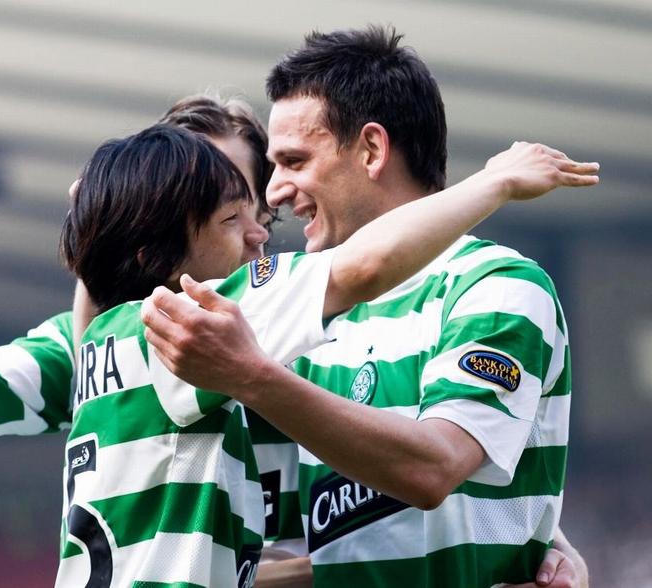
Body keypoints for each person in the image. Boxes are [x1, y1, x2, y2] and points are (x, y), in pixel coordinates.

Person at [0, 102, 589, 585]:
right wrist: (495, 182)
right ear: (158, 236)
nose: (260, 229)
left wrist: (534, 538)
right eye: (229, 213)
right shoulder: (197, 326)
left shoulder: (115, 340)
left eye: (254, 204)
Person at [141, 26, 593, 588]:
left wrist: (252, 377)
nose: (274, 192)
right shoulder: (303, 311)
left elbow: (432, 470)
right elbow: (323, 553)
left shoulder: (495, 287)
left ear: (372, 150)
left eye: (294, 161)